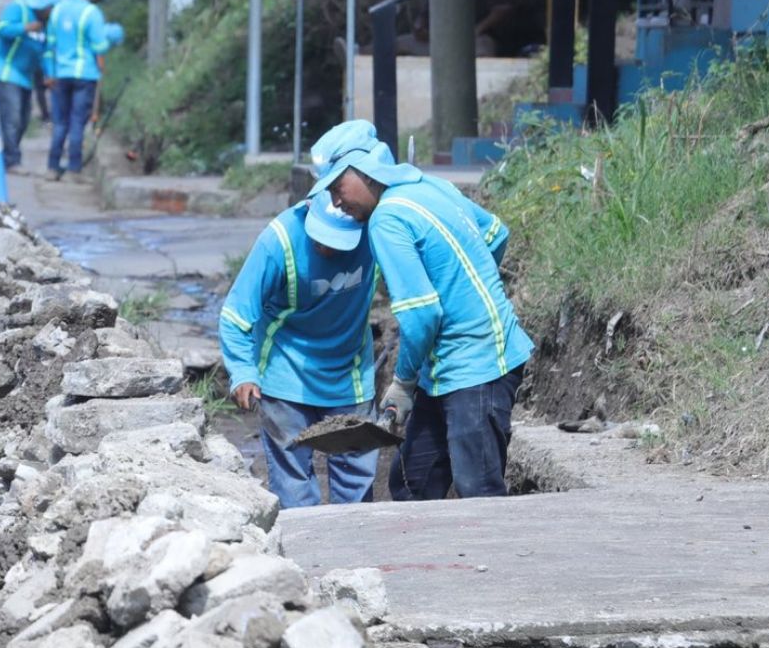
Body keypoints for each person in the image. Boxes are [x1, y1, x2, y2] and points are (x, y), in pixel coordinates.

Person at [311, 120, 533, 499]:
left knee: (478, 490)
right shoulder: (429, 186)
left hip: (478, 365)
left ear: (362, 170)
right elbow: (496, 233)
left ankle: (489, 559)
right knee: (413, 481)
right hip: (447, 364)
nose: (335, 202)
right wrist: (465, 283)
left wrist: (402, 383)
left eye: (336, 186)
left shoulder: (387, 219)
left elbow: (422, 315)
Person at [218, 186, 382, 508]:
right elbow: (235, 316)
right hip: (286, 372)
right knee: (293, 488)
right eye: (321, 238)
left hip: (350, 375)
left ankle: (357, 552)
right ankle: (301, 554)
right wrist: (243, 372)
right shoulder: (279, 240)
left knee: (357, 492)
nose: (327, 248)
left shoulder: (377, 232)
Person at [42, 0, 122, 182]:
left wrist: (49, 72)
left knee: (60, 123)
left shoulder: (58, 9)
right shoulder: (92, 12)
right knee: (77, 123)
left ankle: (52, 168)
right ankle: (73, 170)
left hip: (59, 74)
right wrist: (110, 36)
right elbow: (99, 46)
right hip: (84, 75)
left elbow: (49, 45)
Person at [0, 0, 62, 175]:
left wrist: (49, 74)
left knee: (24, 119)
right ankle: (12, 161)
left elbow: (46, 51)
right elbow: (0, 29)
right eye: (52, 8)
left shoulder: (47, 25)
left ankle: (8, 156)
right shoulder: (19, 7)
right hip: (5, 72)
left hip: (25, 77)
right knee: (12, 118)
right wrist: (25, 28)